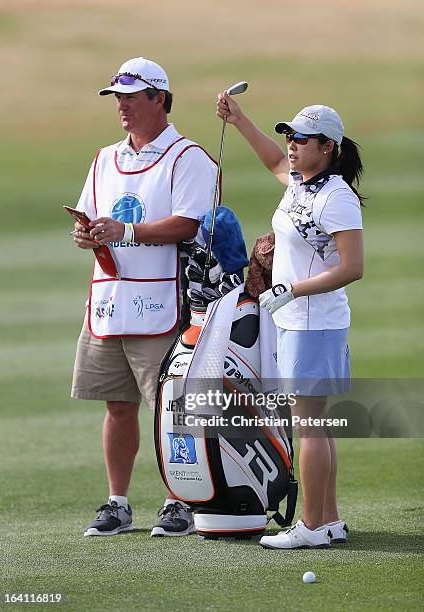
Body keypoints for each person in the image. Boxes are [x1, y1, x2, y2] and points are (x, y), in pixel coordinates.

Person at [71, 57, 217, 538]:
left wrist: (126, 230)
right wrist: (87, 235)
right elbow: (92, 216)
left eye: (131, 97)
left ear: (159, 98)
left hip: (161, 302)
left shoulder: (187, 157)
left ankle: (181, 499)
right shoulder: (104, 157)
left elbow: (187, 224)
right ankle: (117, 502)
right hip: (110, 303)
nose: (122, 107)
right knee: (116, 405)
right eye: (117, 98)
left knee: (168, 408)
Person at [216, 95, 364, 549]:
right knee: (315, 425)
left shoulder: (336, 197)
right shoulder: (301, 182)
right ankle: (330, 519)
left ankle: (312, 526)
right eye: (290, 135)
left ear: (328, 147)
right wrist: (240, 120)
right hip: (297, 320)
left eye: (302, 138)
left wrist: (292, 290)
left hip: (314, 320)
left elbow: (352, 267)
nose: (292, 144)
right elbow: (275, 159)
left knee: (309, 428)